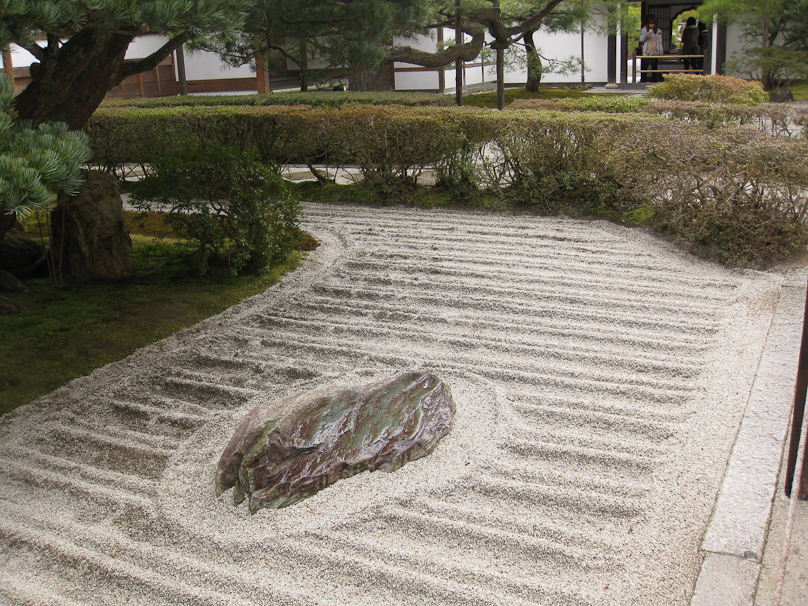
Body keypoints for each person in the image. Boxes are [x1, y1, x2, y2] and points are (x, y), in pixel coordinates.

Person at [640, 16, 663, 82]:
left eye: (653, 23)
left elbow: (660, 41)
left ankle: (654, 79)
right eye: (650, 23)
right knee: (645, 65)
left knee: (654, 66)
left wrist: (661, 51)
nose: (651, 25)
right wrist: (646, 35)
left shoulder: (658, 31)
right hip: (647, 50)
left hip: (655, 50)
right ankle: (643, 80)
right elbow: (641, 40)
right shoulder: (644, 30)